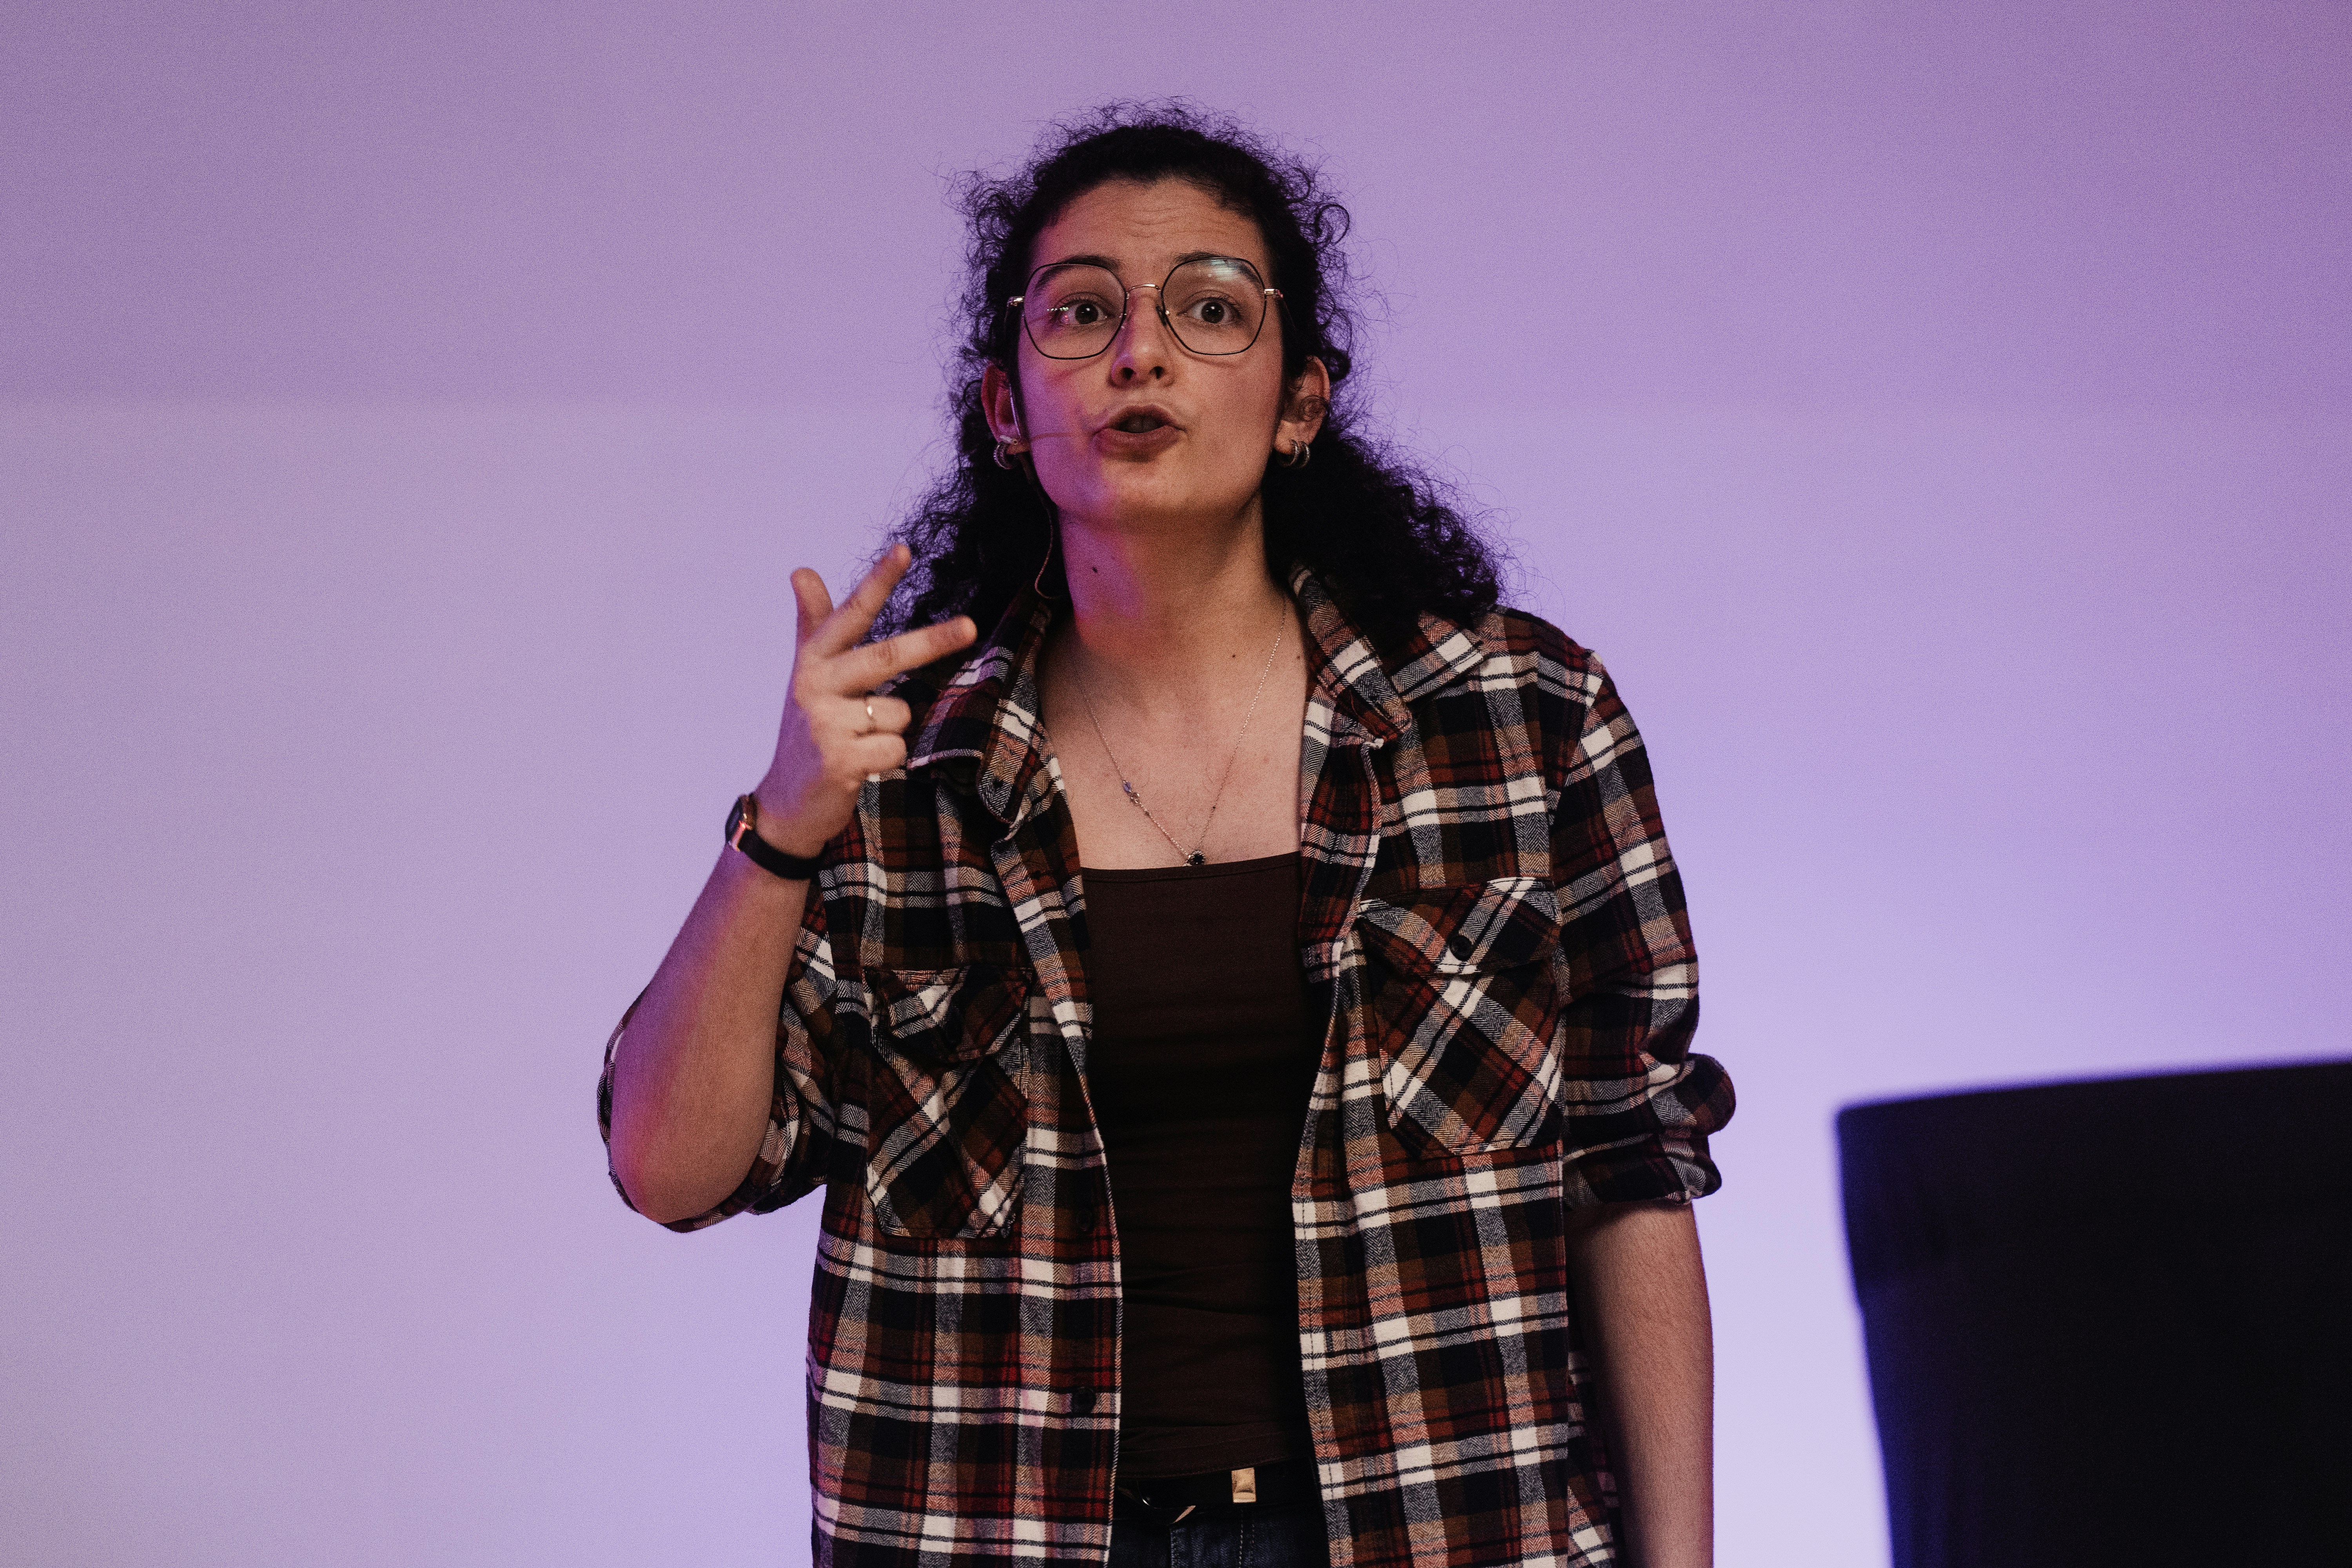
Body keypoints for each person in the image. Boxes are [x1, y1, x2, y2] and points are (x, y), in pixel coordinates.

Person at [600, 103, 1734, 1568]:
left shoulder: (1520, 717)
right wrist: (782, 832)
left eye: (1209, 308)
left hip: (1447, 1528)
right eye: (1082, 313)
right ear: (1008, 409)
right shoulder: (896, 763)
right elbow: (667, 1170)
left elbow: (1627, 1178)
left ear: (1300, 400)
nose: (1140, 352)